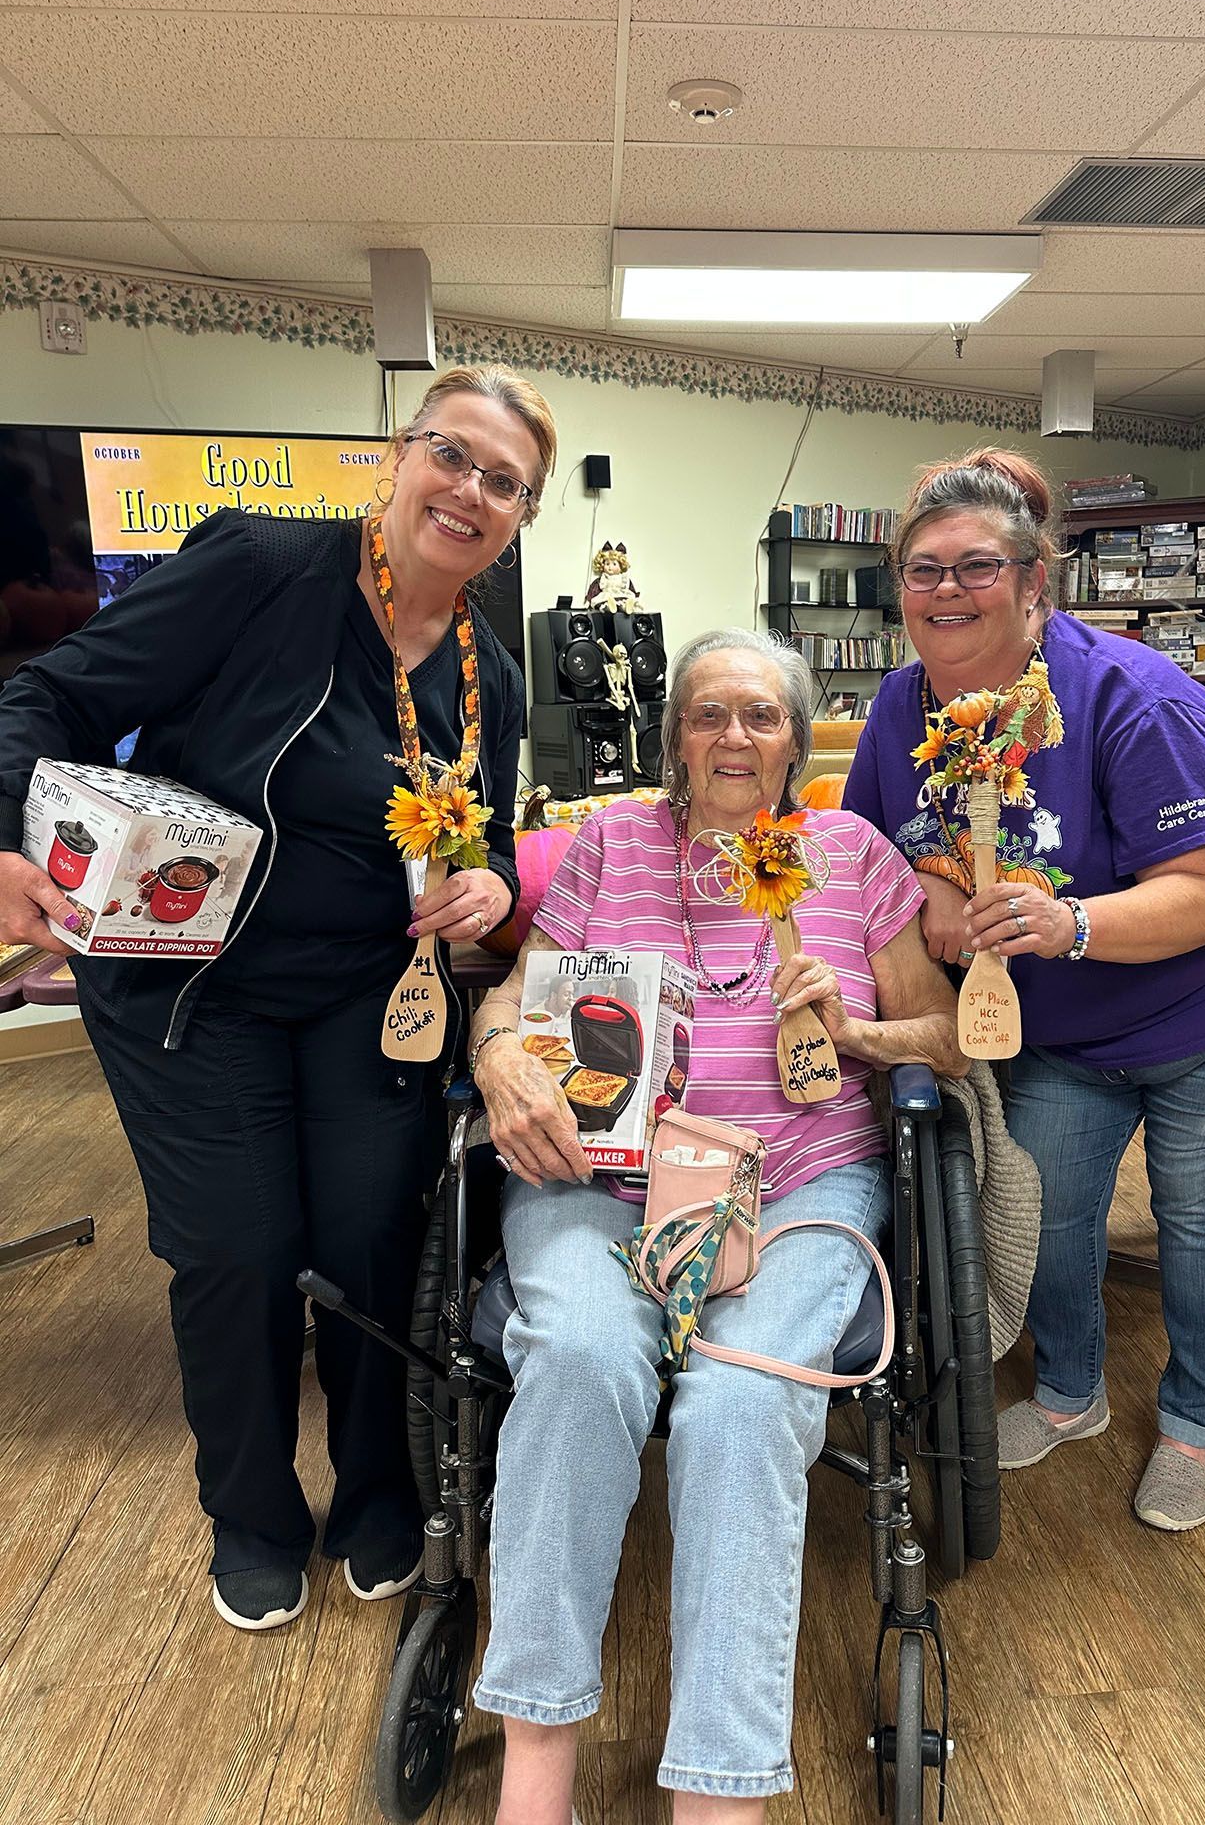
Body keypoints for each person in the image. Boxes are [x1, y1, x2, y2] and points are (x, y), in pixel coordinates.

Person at [0, 364, 556, 1627]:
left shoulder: (490, 678)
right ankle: (249, 1516)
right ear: (398, 457)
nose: (469, 491)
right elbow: (48, 694)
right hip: (188, 986)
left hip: (369, 993)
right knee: (240, 1251)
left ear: (523, 516)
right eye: (451, 455)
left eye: (504, 482)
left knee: (370, 1244)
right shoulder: (264, 568)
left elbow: (479, 838)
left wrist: (480, 885)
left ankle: (373, 1496)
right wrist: (7, 849)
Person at [468, 627, 966, 1825]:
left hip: (800, 1180)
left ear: (797, 741)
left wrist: (862, 1033)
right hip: (607, 1177)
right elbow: (517, 991)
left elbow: (950, 1034)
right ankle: (536, 1778)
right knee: (580, 1362)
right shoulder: (607, 845)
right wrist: (497, 1055)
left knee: (742, 1403)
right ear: (672, 736)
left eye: (759, 716)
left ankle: (722, 1795)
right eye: (706, 714)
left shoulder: (850, 853)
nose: (733, 737)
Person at [843, 450, 1205, 1534]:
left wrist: (1072, 924)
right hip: (1061, 1021)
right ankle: (1072, 1395)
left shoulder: (1132, 700)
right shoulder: (898, 708)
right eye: (924, 571)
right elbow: (883, 851)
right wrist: (937, 892)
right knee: (1050, 1205)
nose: (947, 591)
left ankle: (1195, 1424)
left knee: (1198, 1215)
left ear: (1034, 584)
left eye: (979, 566)